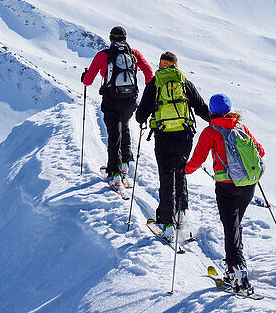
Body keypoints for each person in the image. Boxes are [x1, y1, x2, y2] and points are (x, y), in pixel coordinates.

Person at [185, 94, 265, 295]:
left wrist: (183, 170)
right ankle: (234, 265)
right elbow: (260, 151)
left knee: (230, 227)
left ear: (212, 111)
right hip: (248, 185)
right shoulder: (241, 128)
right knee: (235, 225)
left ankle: (237, 271)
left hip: (227, 186)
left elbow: (197, 159)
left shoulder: (211, 132)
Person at [134, 51, 210, 241]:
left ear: (161, 64)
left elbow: (141, 113)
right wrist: (216, 121)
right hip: (184, 137)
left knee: (166, 177)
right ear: (176, 64)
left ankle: (167, 223)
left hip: (163, 137)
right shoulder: (184, 82)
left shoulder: (154, 84)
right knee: (181, 172)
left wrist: (143, 119)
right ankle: (182, 214)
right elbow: (201, 107)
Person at [81, 26, 153, 188]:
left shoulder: (103, 55)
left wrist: (84, 76)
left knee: (114, 134)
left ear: (111, 39)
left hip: (111, 99)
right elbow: (149, 74)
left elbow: (88, 81)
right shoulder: (134, 54)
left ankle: (114, 173)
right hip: (130, 99)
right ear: (125, 39)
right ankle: (125, 163)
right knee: (125, 126)